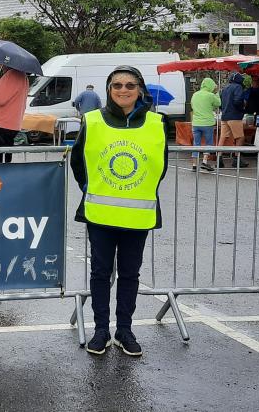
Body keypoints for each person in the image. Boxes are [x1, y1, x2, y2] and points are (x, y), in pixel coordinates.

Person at [70, 65, 169, 357]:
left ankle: (124, 330)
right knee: (100, 274)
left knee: (129, 274)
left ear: (139, 89)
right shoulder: (92, 121)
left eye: (129, 85)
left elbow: (158, 167)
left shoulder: (156, 123)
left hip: (137, 215)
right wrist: (92, 188)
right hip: (100, 215)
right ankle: (102, 330)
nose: (123, 90)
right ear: (109, 90)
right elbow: (79, 163)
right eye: (117, 86)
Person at [0, 66, 29, 163]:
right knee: (5, 156)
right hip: (9, 123)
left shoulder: (12, 74)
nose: (0, 65)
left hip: (0, 123)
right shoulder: (22, 76)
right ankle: (3, 176)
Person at [189, 78, 221, 171]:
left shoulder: (195, 95)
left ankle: (194, 165)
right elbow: (218, 103)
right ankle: (204, 162)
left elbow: (192, 106)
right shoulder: (210, 95)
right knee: (208, 143)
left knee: (196, 144)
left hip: (196, 123)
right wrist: (217, 93)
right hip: (207, 123)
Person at [218, 73, 248, 167]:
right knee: (240, 137)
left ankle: (219, 159)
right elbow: (238, 100)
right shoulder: (238, 87)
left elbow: (220, 103)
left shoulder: (225, 88)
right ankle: (237, 159)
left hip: (224, 116)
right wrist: (242, 110)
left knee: (223, 137)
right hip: (234, 116)